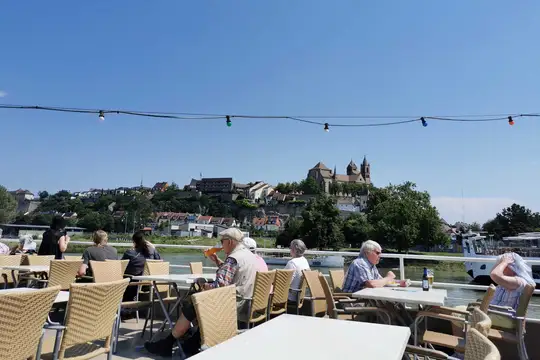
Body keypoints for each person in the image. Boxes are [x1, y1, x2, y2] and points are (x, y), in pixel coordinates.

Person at [144, 228, 258, 357]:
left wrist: (202, 283)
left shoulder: (233, 258)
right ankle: (191, 342)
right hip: (246, 303)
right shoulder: (249, 255)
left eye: (222, 241)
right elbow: (231, 274)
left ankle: (168, 343)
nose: (221, 245)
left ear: (230, 242)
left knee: (193, 303)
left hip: (232, 305)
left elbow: (219, 285)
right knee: (197, 301)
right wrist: (216, 261)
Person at [121, 231, 161, 302]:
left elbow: (121, 265)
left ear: (134, 241)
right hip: (148, 284)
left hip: (132, 284)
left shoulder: (130, 253)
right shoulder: (150, 254)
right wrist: (154, 248)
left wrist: (132, 249)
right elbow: (159, 262)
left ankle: (123, 310)